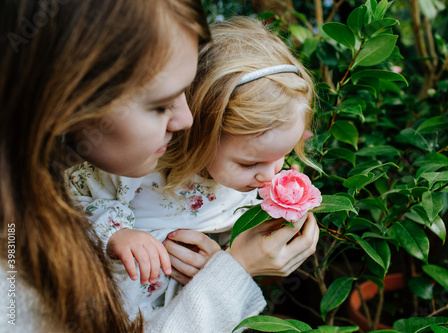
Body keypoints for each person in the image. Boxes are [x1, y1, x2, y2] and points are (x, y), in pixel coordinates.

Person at [0, 1, 319, 332]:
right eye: (160, 105)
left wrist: (224, 258)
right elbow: (79, 205)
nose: (185, 120)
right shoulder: (17, 292)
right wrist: (116, 234)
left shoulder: (222, 175)